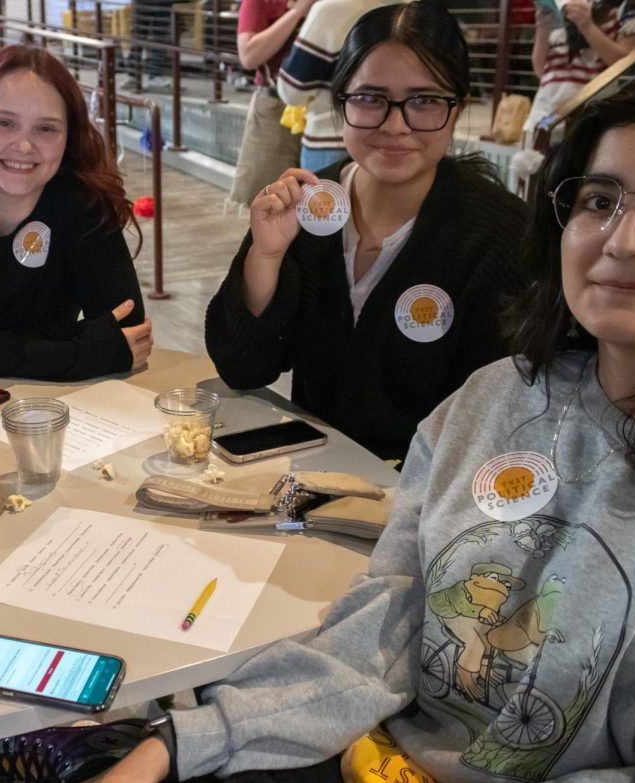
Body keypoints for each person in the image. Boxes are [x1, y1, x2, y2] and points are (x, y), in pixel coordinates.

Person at [71, 64, 635, 783]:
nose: (624, 239)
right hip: (370, 756)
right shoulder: (491, 399)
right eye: (600, 199)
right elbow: (393, 617)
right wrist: (172, 746)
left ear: (455, 111)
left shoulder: (481, 229)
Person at [205, 2, 528, 462]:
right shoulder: (309, 210)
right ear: (341, 104)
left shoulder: (499, 235)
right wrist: (267, 256)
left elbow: (499, 421)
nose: (395, 126)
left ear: (456, 108)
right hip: (308, 480)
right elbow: (241, 367)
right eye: (371, 98)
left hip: (427, 501)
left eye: (424, 100)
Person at [0, 45, 153, 381]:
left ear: (69, 136)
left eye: (46, 129)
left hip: (64, 404)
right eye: (4, 123)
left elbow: (128, 334)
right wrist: (81, 352)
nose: (23, 146)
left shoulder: (84, 199)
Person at [277, 0, 403, 172]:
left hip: (329, 143)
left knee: (328, 198)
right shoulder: (409, 11)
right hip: (393, 145)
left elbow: (291, 90)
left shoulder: (330, 10)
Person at [225, 0, 311, 209]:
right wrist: (298, 12)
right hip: (274, 108)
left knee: (318, 200)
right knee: (270, 200)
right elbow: (249, 55)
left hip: (322, 110)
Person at [526, 0, 635, 135]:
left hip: (590, 112)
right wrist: (542, 28)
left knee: (580, 152)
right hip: (547, 112)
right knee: (536, 150)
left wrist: (587, 26)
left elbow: (625, 62)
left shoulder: (623, 6)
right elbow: (539, 69)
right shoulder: (558, 5)